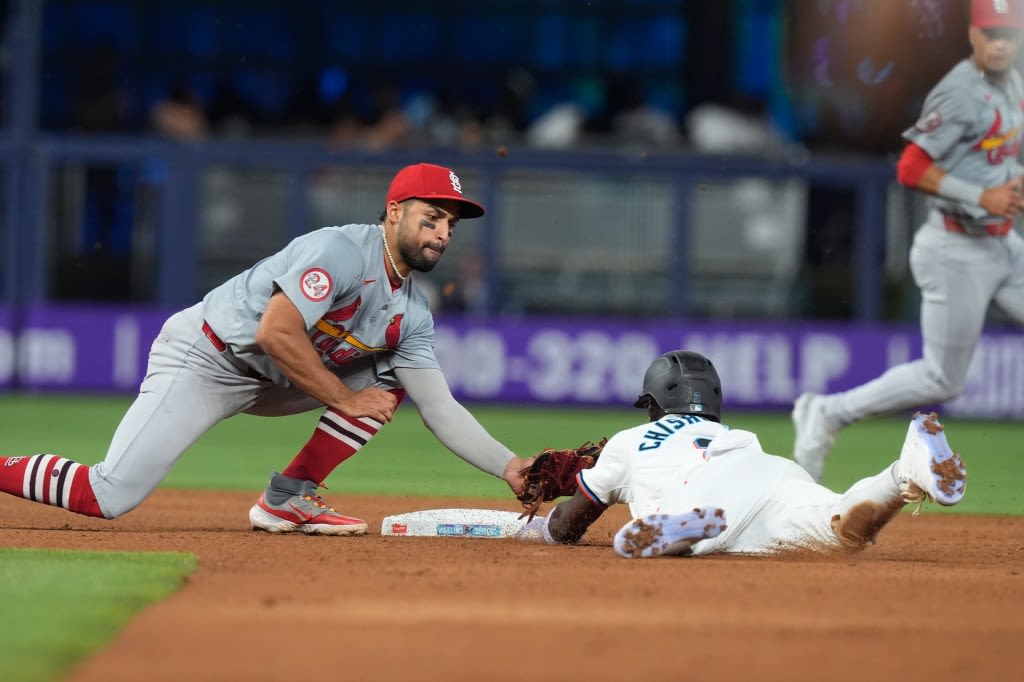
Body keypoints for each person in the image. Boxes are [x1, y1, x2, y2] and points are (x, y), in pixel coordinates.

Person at [0, 163, 532, 535]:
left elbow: (440, 409)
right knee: (108, 496)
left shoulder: (412, 314)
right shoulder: (342, 251)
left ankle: (287, 498)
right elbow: (274, 333)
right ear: (393, 212)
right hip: (208, 359)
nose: (441, 232)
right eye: (430, 216)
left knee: (390, 380)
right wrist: (343, 400)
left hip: (277, 381)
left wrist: (511, 467)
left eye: (449, 225)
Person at [792, 0, 1024, 482]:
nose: (1001, 42)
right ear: (973, 36)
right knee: (943, 378)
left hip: (1002, 245)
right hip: (955, 251)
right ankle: (827, 412)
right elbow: (910, 167)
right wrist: (982, 194)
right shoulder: (959, 92)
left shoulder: (1011, 85)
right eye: (991, 32)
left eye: (1009, 32)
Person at [515, 350, 967, 558]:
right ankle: (902, 473)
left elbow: (566, 528)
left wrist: (557, 517)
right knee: (841, 529)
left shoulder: (631, 440)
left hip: (701, 490)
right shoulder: (723, 430)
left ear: (651, 405)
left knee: (639, 540)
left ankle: (683, 529)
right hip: (769, 473)